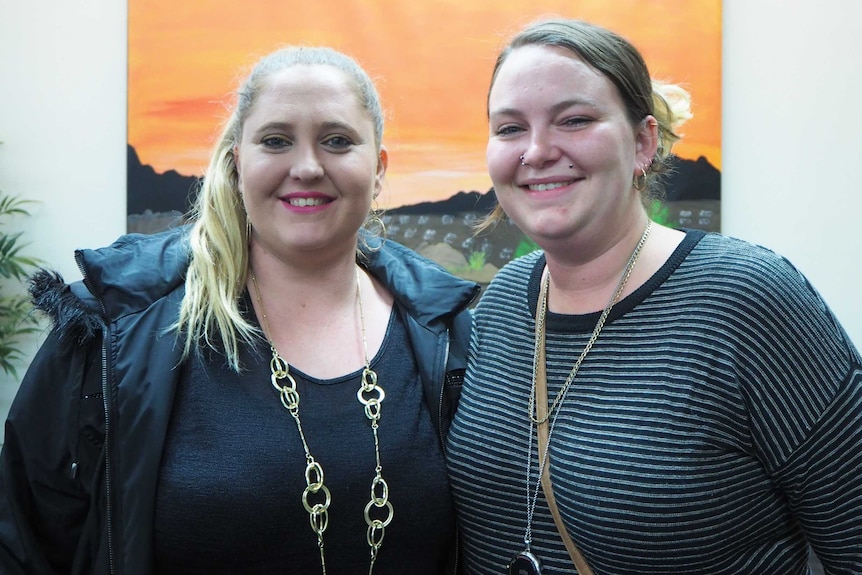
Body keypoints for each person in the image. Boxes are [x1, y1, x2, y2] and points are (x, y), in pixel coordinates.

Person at [0, 46, 479, 575]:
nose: (307, 166)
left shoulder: (447, 332)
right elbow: (25, 542)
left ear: (379, 167)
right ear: (236, 162)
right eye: (276, 141)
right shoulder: (113, 329)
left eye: (337, 141)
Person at [446, 18, 862, 575]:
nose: (538, 150)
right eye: (510, 128)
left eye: (574, 120)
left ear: (643, 141)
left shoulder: (745, 298)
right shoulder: (500, 306)